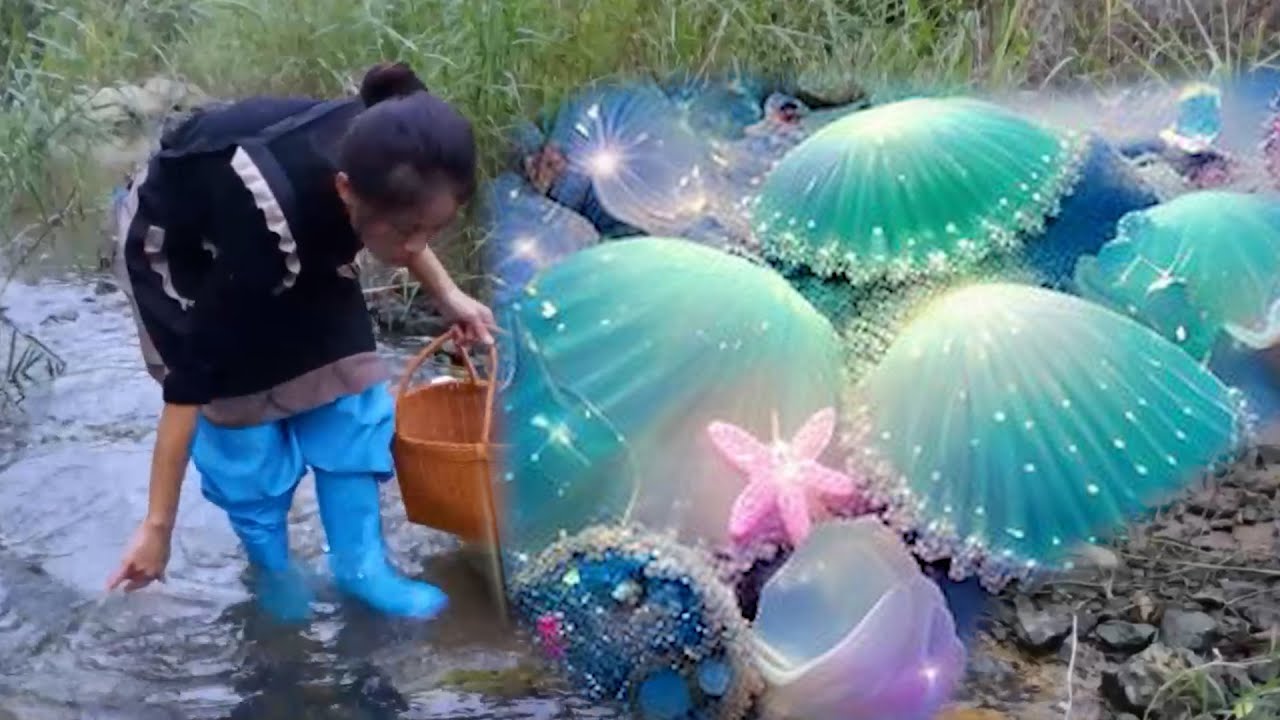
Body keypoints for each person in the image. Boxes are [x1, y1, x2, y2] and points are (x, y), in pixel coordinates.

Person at [105, 61, 496, 624]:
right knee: (243, 423)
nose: (419, 245)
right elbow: (188, 384)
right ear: (345, 190)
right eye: (408, 234)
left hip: (287, 232)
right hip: (184, 250)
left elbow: (404, 222)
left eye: (433, 231)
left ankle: (361, 567)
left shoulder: (393, 154)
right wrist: (156, 529)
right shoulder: (272, 219)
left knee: (351, 392)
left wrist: (450, 295)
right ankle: (272, 569)